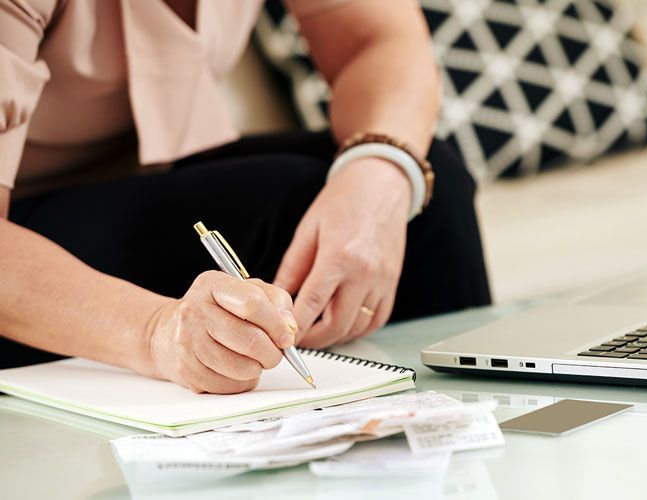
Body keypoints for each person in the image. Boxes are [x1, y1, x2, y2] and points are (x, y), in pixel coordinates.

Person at [0, 0, 491, 394]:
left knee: (425, 186)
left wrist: (378, 177)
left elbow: (376, 38)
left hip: (141, 175)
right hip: (21, 247)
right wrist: (156, 331)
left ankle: (461, 431)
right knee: (282, 199)